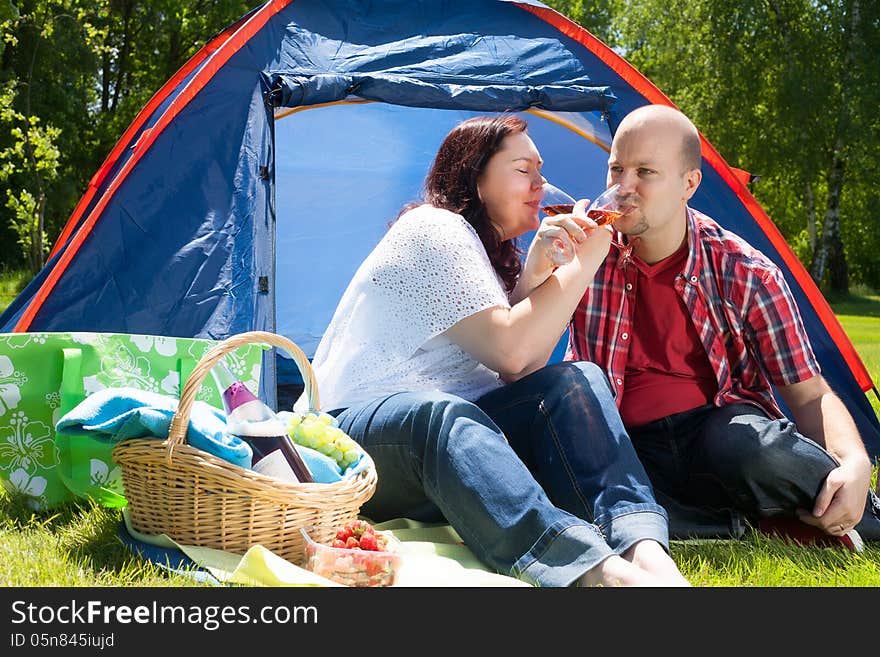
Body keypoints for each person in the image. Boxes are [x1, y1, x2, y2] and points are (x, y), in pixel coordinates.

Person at [298, 115, 690, 586]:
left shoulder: (487, 256)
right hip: (352, 441)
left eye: (541, 171)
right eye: (523, 169)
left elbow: (524, 376)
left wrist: (537, 275)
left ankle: (643, 548)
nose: (541, 185)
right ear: (475, 177)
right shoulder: (434, 228)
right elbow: (512, 353)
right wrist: (589, 257)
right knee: (438, 413)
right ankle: (591, 570)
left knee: (575, 380)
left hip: (442, 447)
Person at [567, 104, 880, 549]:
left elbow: (809, 393)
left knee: (753, 447)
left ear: (689, 184)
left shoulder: (745, 271)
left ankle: (854, 511)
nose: (623, 188)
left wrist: (854, 461)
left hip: (720, 440)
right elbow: (524, 364)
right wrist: (550, 270)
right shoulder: (586, 257)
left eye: (645, 172)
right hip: (625, 445)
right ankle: (731, 523)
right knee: (571, 466)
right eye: (616, 169)